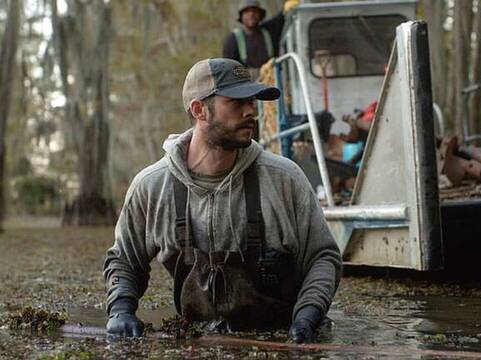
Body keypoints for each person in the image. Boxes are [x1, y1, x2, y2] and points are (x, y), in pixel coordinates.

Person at [103, 58, 342, 344]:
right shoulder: (152, 187)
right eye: (236, 102)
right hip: (197, 341)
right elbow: (124, 260)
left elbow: (323, 257)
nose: (251, 111)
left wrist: (308, 315)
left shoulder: (284, 179)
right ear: (198, 109)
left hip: (287, 339)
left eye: (253, 101)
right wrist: (120, 310)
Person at [222, 0, 298, 79]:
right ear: (241, 16)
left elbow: (281, 16)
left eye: (254, 11)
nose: (251, 14)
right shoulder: (233, 39)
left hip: (272, 82)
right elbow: (229, 69)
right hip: (247, 86)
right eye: (247, 12)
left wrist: (287, 7)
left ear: (260, 15)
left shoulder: (269, 31)